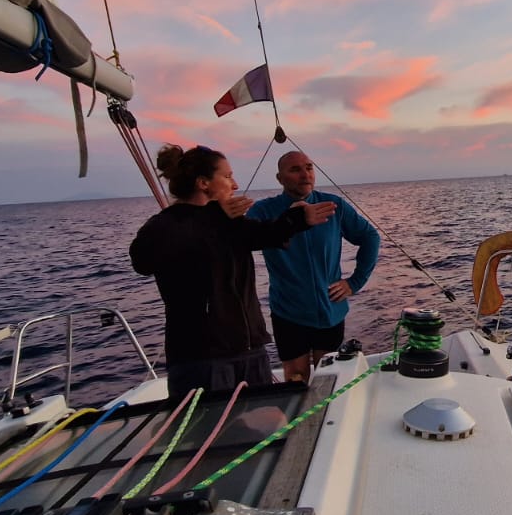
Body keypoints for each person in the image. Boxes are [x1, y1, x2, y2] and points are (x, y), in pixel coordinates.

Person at [130, 144, 335, 398]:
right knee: (209, 436)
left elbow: (264, 234)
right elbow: (142, 261)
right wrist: (212, 216)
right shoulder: (166, 224)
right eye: (227, 176)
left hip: (250, 352)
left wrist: (296, 220)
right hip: (202, 360)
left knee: (262, 431)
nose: (235, 184)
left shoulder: (227, 222)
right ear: (204, 183)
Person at [246, 150, 381, 383]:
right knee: (295, 378)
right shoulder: (264, 211)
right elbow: (243, 239)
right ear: (280, 178)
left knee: (327, 378)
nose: (305, 174)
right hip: (288, 311)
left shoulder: (333, 205)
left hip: (331, 310)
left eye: (309, 167)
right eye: (295, 169)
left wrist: (354, 282)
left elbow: (370, 237)